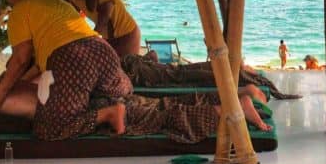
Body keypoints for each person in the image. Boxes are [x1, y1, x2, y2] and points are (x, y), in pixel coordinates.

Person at [0, 0, 130, 141]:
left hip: (74, 60)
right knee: (117, 97)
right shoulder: (55, 2)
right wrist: (14, 84)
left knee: (50, 128)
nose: (8, 1)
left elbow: (20, 59)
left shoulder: (20, 10)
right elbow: (37, 66)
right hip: (103, 51)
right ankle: (116, 108)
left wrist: (0, 93)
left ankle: (107, 114)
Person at [0, 81, 269, 143]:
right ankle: (239, 95)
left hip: (83, 109)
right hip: (86, 96)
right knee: (163, 106)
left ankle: (237, 107)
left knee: (164, 118)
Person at [121, 53, 299, 100]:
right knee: (215, 75)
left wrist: (144, 60)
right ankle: (253, 80)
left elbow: (151, 54)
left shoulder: (129, 64)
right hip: (178, 77)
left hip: (177, 69)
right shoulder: (131, 77)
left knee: (214, 66)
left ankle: (247, 74)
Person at [60, 0, 142, 58]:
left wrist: (87, 42)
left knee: (128, 67)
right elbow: (75, 19)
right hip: (108, 37)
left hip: (127, 34)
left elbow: (102, 22)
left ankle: (151, 58)